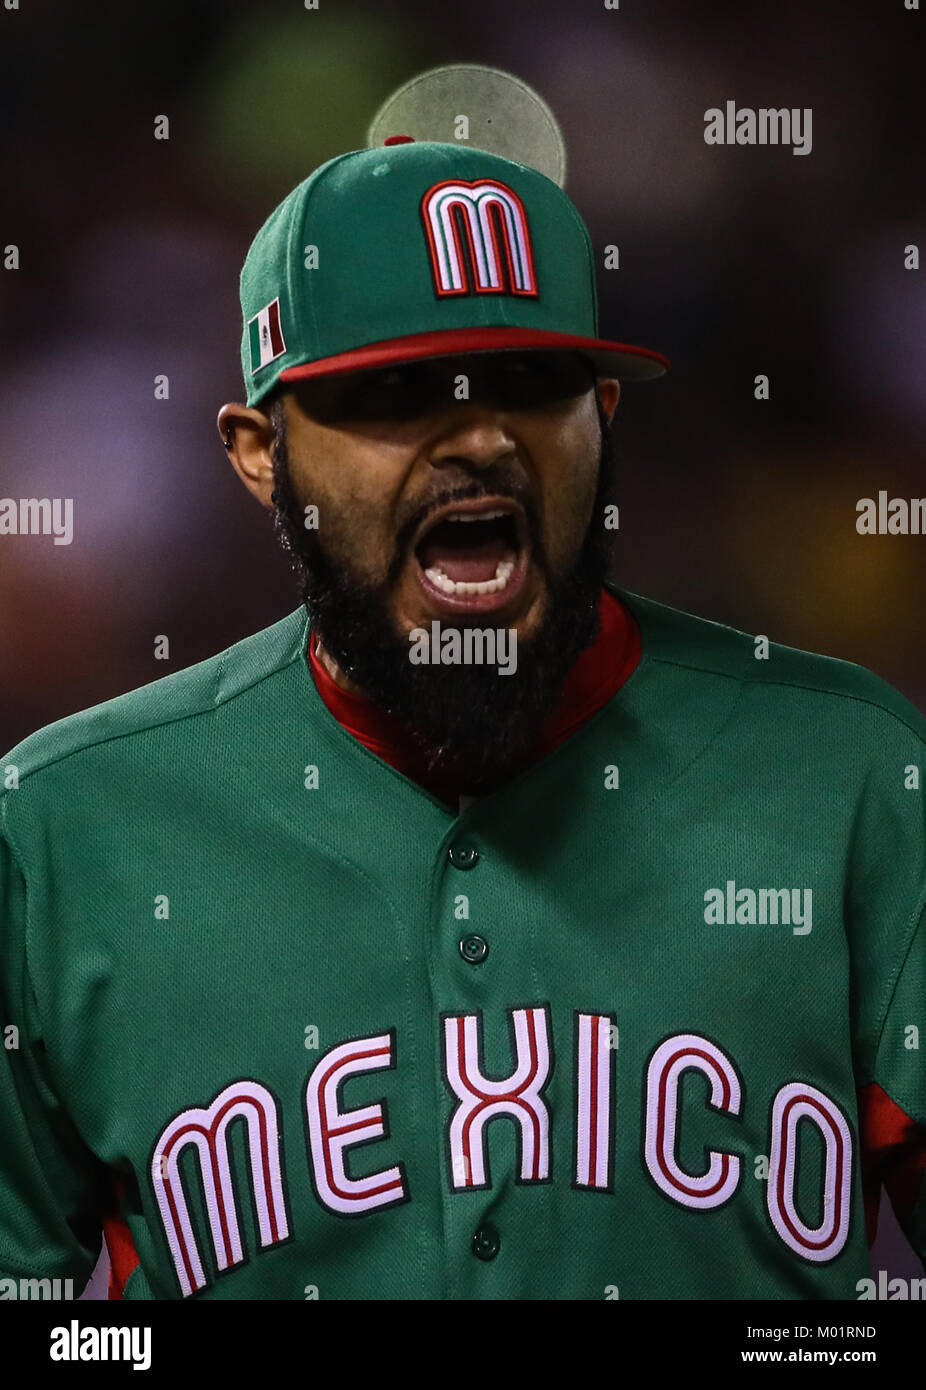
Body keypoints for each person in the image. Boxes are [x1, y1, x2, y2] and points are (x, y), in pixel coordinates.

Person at [1, 140, 922, 1301]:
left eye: (530, 382)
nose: (481, 436)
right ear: (257, 453)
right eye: (392, 392)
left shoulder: (849, 773)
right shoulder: (64, 827)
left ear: (601, 417)